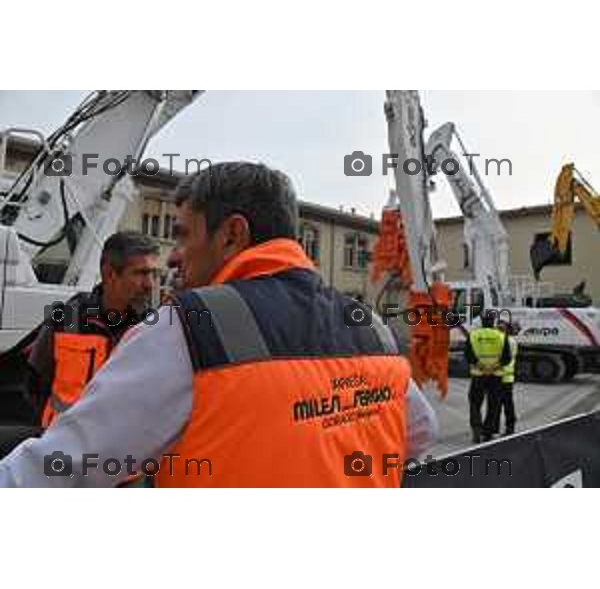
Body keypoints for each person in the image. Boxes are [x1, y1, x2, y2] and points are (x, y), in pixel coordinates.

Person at [0, 161, 437, 488]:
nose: (173, 254)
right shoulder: (371, 327)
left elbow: (60, 468)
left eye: (184, 233)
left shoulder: (190, 327)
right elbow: (420, 433)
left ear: (232, 234)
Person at [28, 231, 160, 427]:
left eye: (153, 274)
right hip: (62, 446)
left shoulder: (152, 328)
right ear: (109, 274)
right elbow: (35, 384)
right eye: (140, 273)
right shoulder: (66, 318)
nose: (150, 284)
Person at [464, 310, 511, 443]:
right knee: (494, 404)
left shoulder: (473, 335)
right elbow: (506, 358)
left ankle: (477, 430)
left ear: (482, 321)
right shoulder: (501, 336)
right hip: (495, 376)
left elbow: (468, 356)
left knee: (475, 403)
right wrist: (493, 368)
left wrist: (482, 367)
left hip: (478, 375)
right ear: (493, 321)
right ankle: (488, 432)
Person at [496, 321, 519, 436]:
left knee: (497, 404)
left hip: (498, 376)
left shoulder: (502, 341)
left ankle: (495, 428)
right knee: (508, 403)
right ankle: (510, 427)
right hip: (508, 377)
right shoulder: (512, 341)